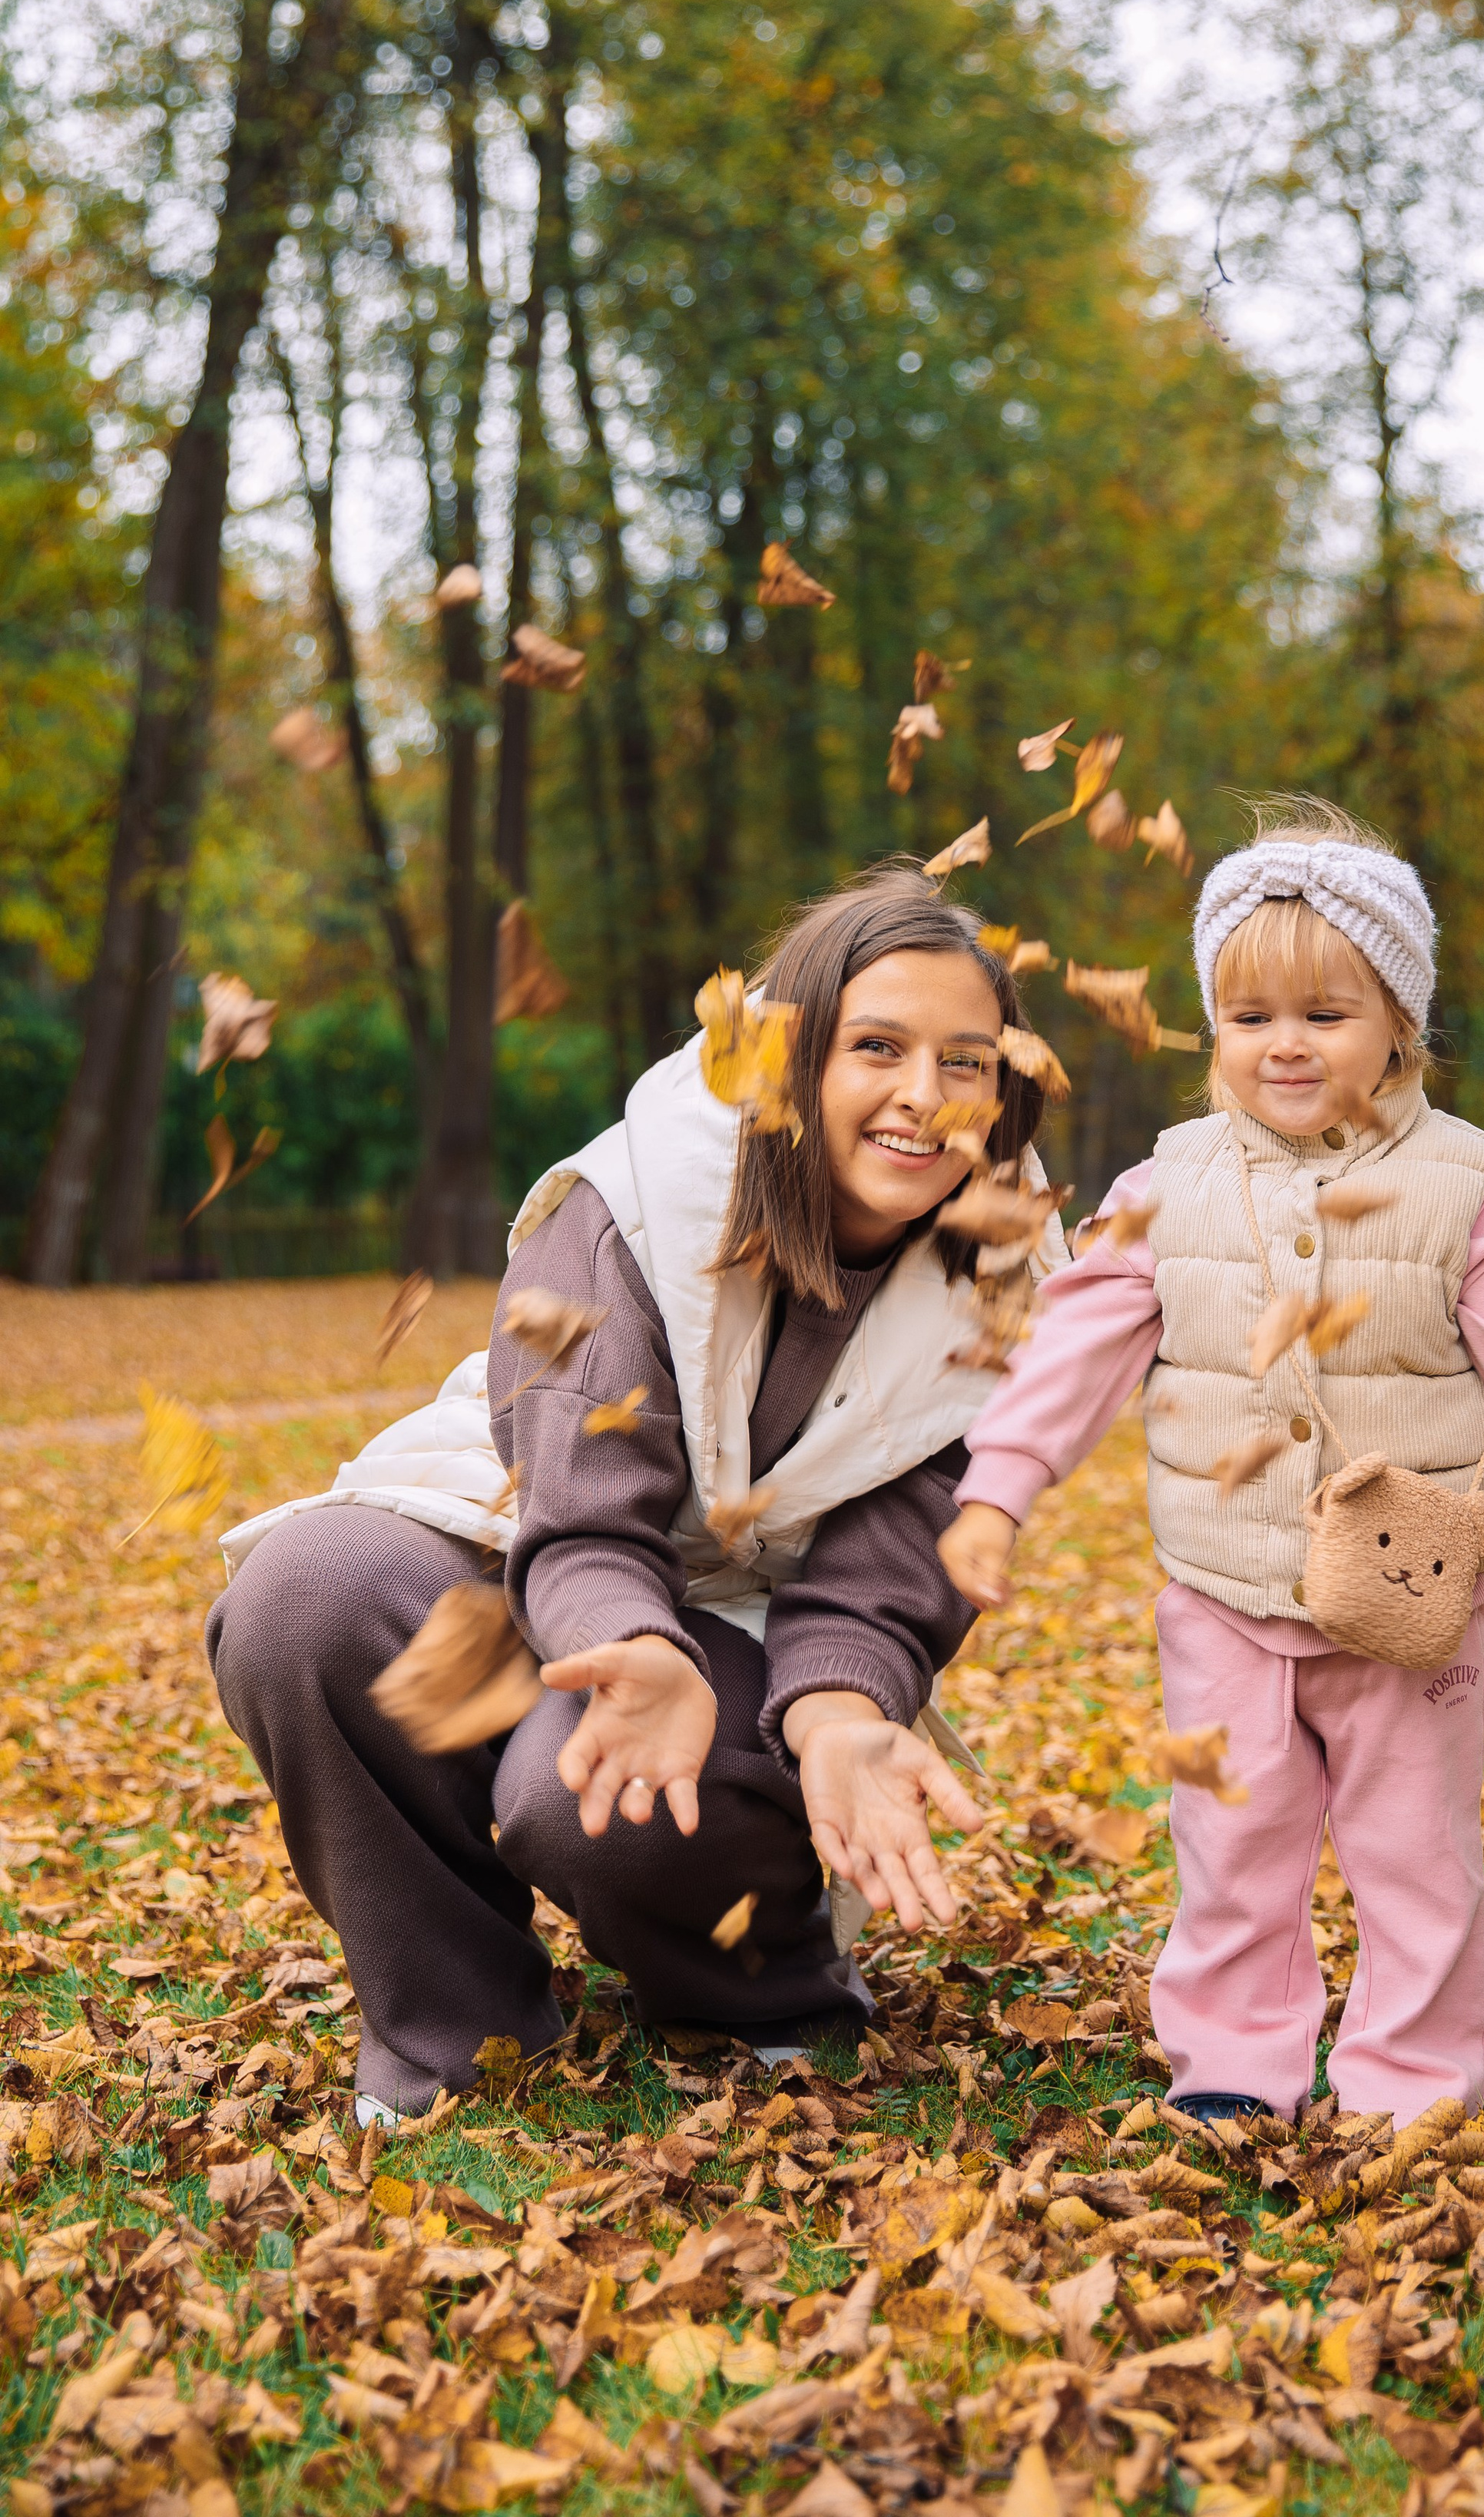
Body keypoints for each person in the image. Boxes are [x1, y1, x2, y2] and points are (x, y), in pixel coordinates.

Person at [207, 872, 1065, 2124]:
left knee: (576, 1797)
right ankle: (454, 2025)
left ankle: (758, 1983)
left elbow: (888, 1566)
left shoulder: (1011, 1283)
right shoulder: (638, 1199)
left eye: (967, 1063)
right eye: (876, 1047)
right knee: (307, 1599)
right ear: (793, 1057)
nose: (923, 1098)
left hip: (760, 1623)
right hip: (532, 1533)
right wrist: (629, 1646)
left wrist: (833, 1716)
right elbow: (581, 1505)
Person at [939, 803, 1484, 2128]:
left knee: (1415, 1858)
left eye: (1325, 1014)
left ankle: (1412, 2079)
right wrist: (1002, 1484)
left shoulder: (1475, 1197)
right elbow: (1072, 1354)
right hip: (1221, 1595)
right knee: (1232, 1849)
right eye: (1249, 1017)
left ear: (1400, 1023)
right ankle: (1236, 2063)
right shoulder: (1163, 1189)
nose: (1284, 1043)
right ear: (1214, 1030)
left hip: (1408, 1603)